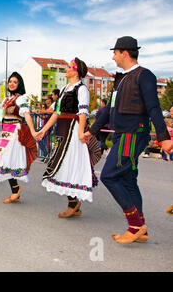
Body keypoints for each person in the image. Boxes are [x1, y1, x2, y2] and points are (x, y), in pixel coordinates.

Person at [85, 36, 173, 244]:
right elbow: (109, 109)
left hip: (132, 134)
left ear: (125, 53)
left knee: (109, 175)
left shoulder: (144, 76)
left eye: (114, 53)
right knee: (127, 179)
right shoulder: (121, 78)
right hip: (121, 134)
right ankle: (141, 229)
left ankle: (135, 225)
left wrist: (164, 138)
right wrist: (93, 130)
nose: (113, 57)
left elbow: (153, 107)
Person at [36, 58, 100, 217]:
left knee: (67, 164)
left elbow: (83, 111)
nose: (67, 68)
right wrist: (44, 129)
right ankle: (74, 203)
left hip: (72, 130)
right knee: (63, 165)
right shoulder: (65, 88)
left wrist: (80, 133)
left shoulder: (81, 89)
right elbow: (57, 112)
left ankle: (73, 203)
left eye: (70, 66)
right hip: (62, 130)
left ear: (76, 71)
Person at [0, 72, 38, 203]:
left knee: (6, 160)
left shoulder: (20, 99)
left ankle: (15, 190)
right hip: (5, 132)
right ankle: (15, 190)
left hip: (14, 132)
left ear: (19, 85)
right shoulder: (6, 99)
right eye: (10, 82)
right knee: (5, 162)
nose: (11, 84)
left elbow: (27, 115)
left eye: (15, 82)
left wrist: (33, 131)